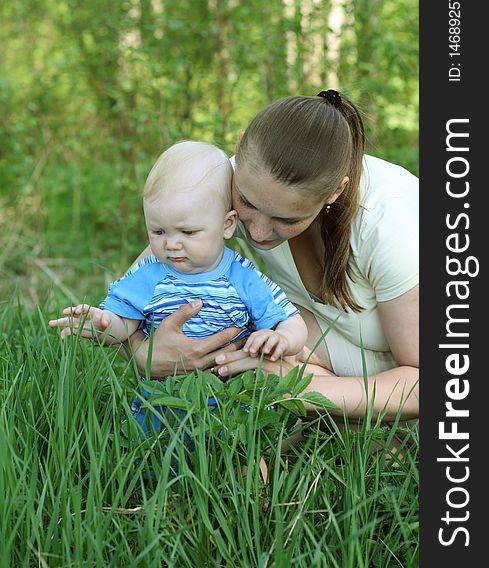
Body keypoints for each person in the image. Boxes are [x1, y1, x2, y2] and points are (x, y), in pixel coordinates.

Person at [122, 90, 419, 425]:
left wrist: (295, 391)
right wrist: (142, 353)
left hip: (398, 371)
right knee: (227, 336)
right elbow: (139, 286)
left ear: (335, 191)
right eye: (246, 202)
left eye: (287, 220)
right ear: (239, 148)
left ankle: (369, 435)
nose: (259, 231)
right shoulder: (223, 181)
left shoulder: (391, 224)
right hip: (318, 346)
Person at [48, 140, 307, 364]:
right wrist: (103, 323)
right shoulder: (150, 274)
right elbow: (124, 326)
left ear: (226, 225)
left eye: (188, 232)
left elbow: (290, 320)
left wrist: (282, 337)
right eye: (159, 232)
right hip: (165, 401)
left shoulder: (243, 277)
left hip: (233, 400)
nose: (171, 244)